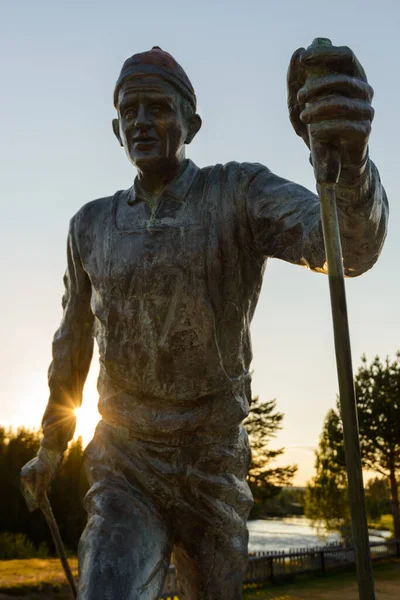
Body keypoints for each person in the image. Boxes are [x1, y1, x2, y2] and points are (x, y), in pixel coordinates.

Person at [21, 44, 388, 599]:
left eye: (158, 107)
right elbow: (72, 341)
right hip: (125, 461)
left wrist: (349, 167)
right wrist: (52, 444)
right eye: (130, 110)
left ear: (191, 122)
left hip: (211, 459)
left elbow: (345, 249)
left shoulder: (237, 193)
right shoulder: (89, 225)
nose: (142, 121)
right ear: (115, 129)